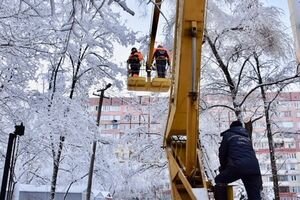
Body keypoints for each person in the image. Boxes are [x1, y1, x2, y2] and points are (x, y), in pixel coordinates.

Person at [214, 120, 262, 200]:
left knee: (219, 180)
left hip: (238, 166)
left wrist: (223, 169)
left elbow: (222, 154)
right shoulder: (247, 138)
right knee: (254, 196)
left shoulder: (228, 135)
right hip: (254, 168)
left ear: (231, 127)